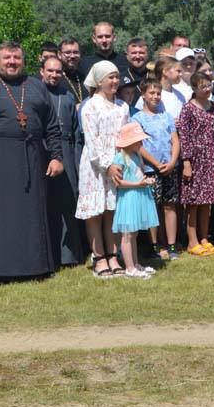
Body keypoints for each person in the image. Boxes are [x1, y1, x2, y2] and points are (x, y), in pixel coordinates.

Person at [0, 41, 64, 283]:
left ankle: (38, 266)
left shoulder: (35, 87)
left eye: (16, 58)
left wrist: (56, 156)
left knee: (33, 214)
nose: (12, 62)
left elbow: (52, 126)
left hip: (32, 158)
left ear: (24, 61)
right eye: (7, 58)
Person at [77, 60, 131, 276]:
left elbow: (125, 136)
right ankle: (98, 257)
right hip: (94, 166)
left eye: (117, 76)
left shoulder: (122, 106)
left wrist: (120, 161)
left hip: (117, 163)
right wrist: (106, 165)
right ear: (99, 81)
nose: (115, 81)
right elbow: (91, 140)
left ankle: (113, 254)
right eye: (111, 77)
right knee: (95, 212)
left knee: (112, 210)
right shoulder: (90, 106)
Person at [41, 56, 86, 268]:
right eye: (50, 71)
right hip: (43, 150)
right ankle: (47, 253)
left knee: (69, 200)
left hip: (67, 150)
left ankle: (69, 255)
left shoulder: (67, 97)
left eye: (58, 71)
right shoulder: (35, 94)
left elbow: (77, 133)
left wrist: (77, 162)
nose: (54, 75)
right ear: (42, 71)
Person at [132, 78, 181, 261]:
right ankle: (154, 245)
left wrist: (173, 161)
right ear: (143, 95)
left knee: (170, 205)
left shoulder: (166, 116)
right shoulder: (137, 118)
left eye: (158, 93)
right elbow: (139, 145)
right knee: (152, 206)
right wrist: (155, 163)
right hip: (151, 169)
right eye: (151, 93)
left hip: (169, 167)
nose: (155, 96)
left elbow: (175, 140)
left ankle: (172, 244)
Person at [107, 122, 160, 278]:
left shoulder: (136, 155)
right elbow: (118, 183)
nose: (142, 143)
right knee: (127, 235)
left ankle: (135, 264)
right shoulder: (120, 157)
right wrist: (138, 183)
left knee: (134, 233)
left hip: (138, 196)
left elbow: (138, 174)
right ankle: (129, 267)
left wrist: (146, 180)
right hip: (128, 198)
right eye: (138, 140)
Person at [178, 73, 214, 255]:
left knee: (208, 201)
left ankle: (204, 238)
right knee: (193, 201)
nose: (207, 89)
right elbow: (184, 136)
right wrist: (186, 162)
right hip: (194, 158)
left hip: (210, 156)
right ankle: (192, 241)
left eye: (209, 85)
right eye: (202, 86)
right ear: (194, 88)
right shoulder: (188, 108)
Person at [58, 38, 89, 104]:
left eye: (75, 52)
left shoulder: (85, 76)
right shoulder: (56, 77)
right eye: (67, 52)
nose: (72, 56)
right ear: (59, 55)